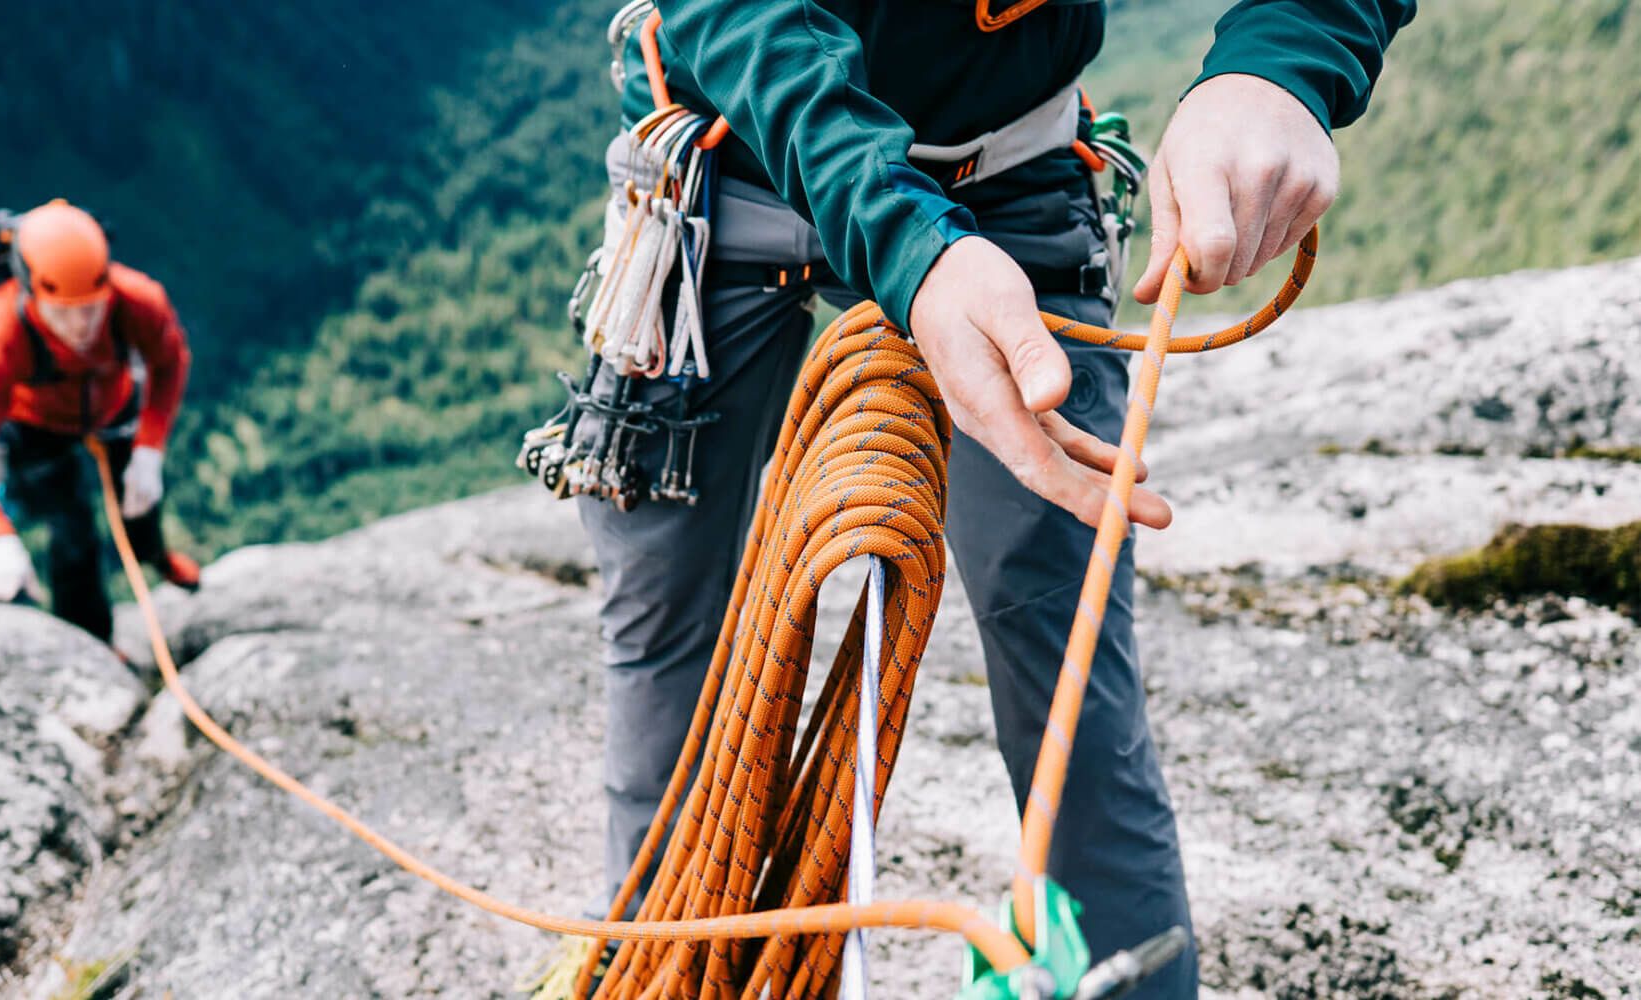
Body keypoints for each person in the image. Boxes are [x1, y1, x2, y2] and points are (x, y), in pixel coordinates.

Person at [577, 1, 1414, 993]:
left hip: (1003, 167)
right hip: (740, 140)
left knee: (1064, 643)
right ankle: (651, 972)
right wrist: (907, 243)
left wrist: (1282, 59)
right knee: (666, 625)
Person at [0, 199, 198, 644]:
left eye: (92, 308)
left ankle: (154, 555)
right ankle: (94, 645)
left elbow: (170, 362)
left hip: (113, 410)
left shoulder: (135, 300)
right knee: (73, 534)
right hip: (37, 428)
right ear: (30, 292)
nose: (81, 326)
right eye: (64, 311)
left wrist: (149, 449)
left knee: (141, 501)